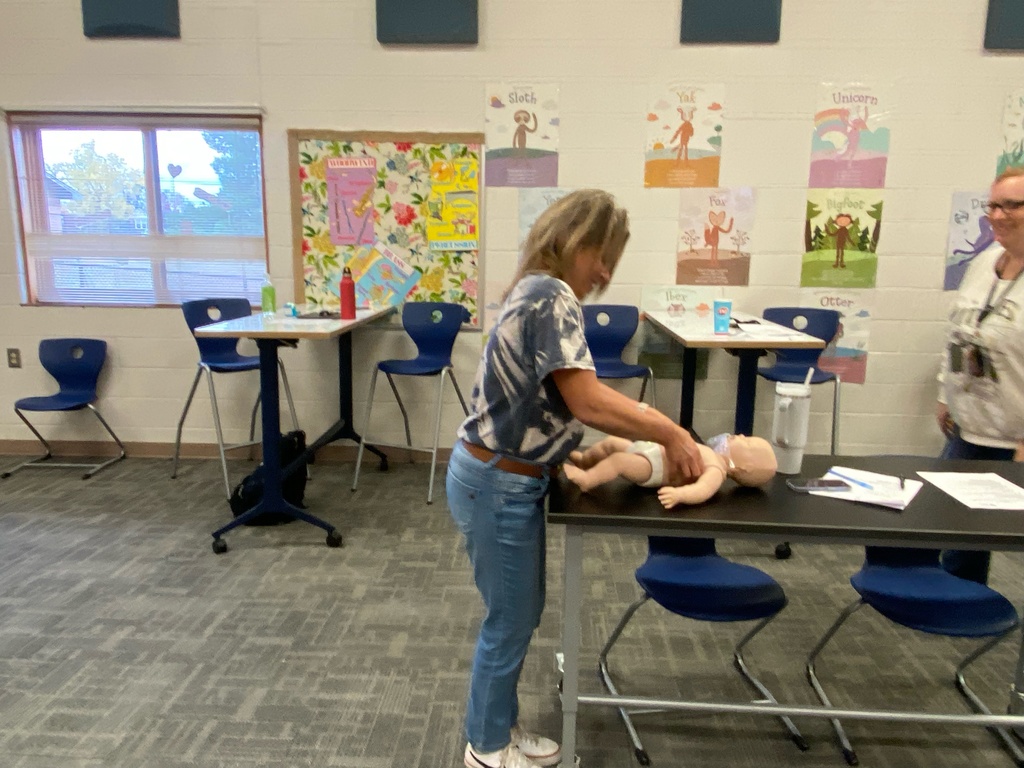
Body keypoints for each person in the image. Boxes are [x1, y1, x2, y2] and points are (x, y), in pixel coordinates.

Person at [447, 189, 704, 768]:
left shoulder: (533, 290)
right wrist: (671, 432)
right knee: (510, 620)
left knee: (518, 614)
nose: (606, 272)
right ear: (571, 239)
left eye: (613, 260)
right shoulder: (551, 295)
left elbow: (541, 399)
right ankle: (486, 750)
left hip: (501, 475)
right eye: (601, 255)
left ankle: (498, 728)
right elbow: (587, 400)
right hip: (497, 482)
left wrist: (565, 451)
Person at [936, 166, 1024, 584]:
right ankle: (959, 605)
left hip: (1015, 439)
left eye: (1012, 205)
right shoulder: (985, 262)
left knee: (1002, 533)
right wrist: (945, 394)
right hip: (969, 426)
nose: (998, 215)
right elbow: (958, 332)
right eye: (993, 205)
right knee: (951, 530)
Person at [564, 433, 777, 507]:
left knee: (619, 461)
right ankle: (585, 460)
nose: (740, 436)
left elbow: (703, 490)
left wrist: (680, 494)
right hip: (649, 450)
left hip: (653, 468)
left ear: (744, 468)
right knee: (610, 443)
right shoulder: (712, 455)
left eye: (747, 442)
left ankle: (588, 479)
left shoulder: (716, 469)